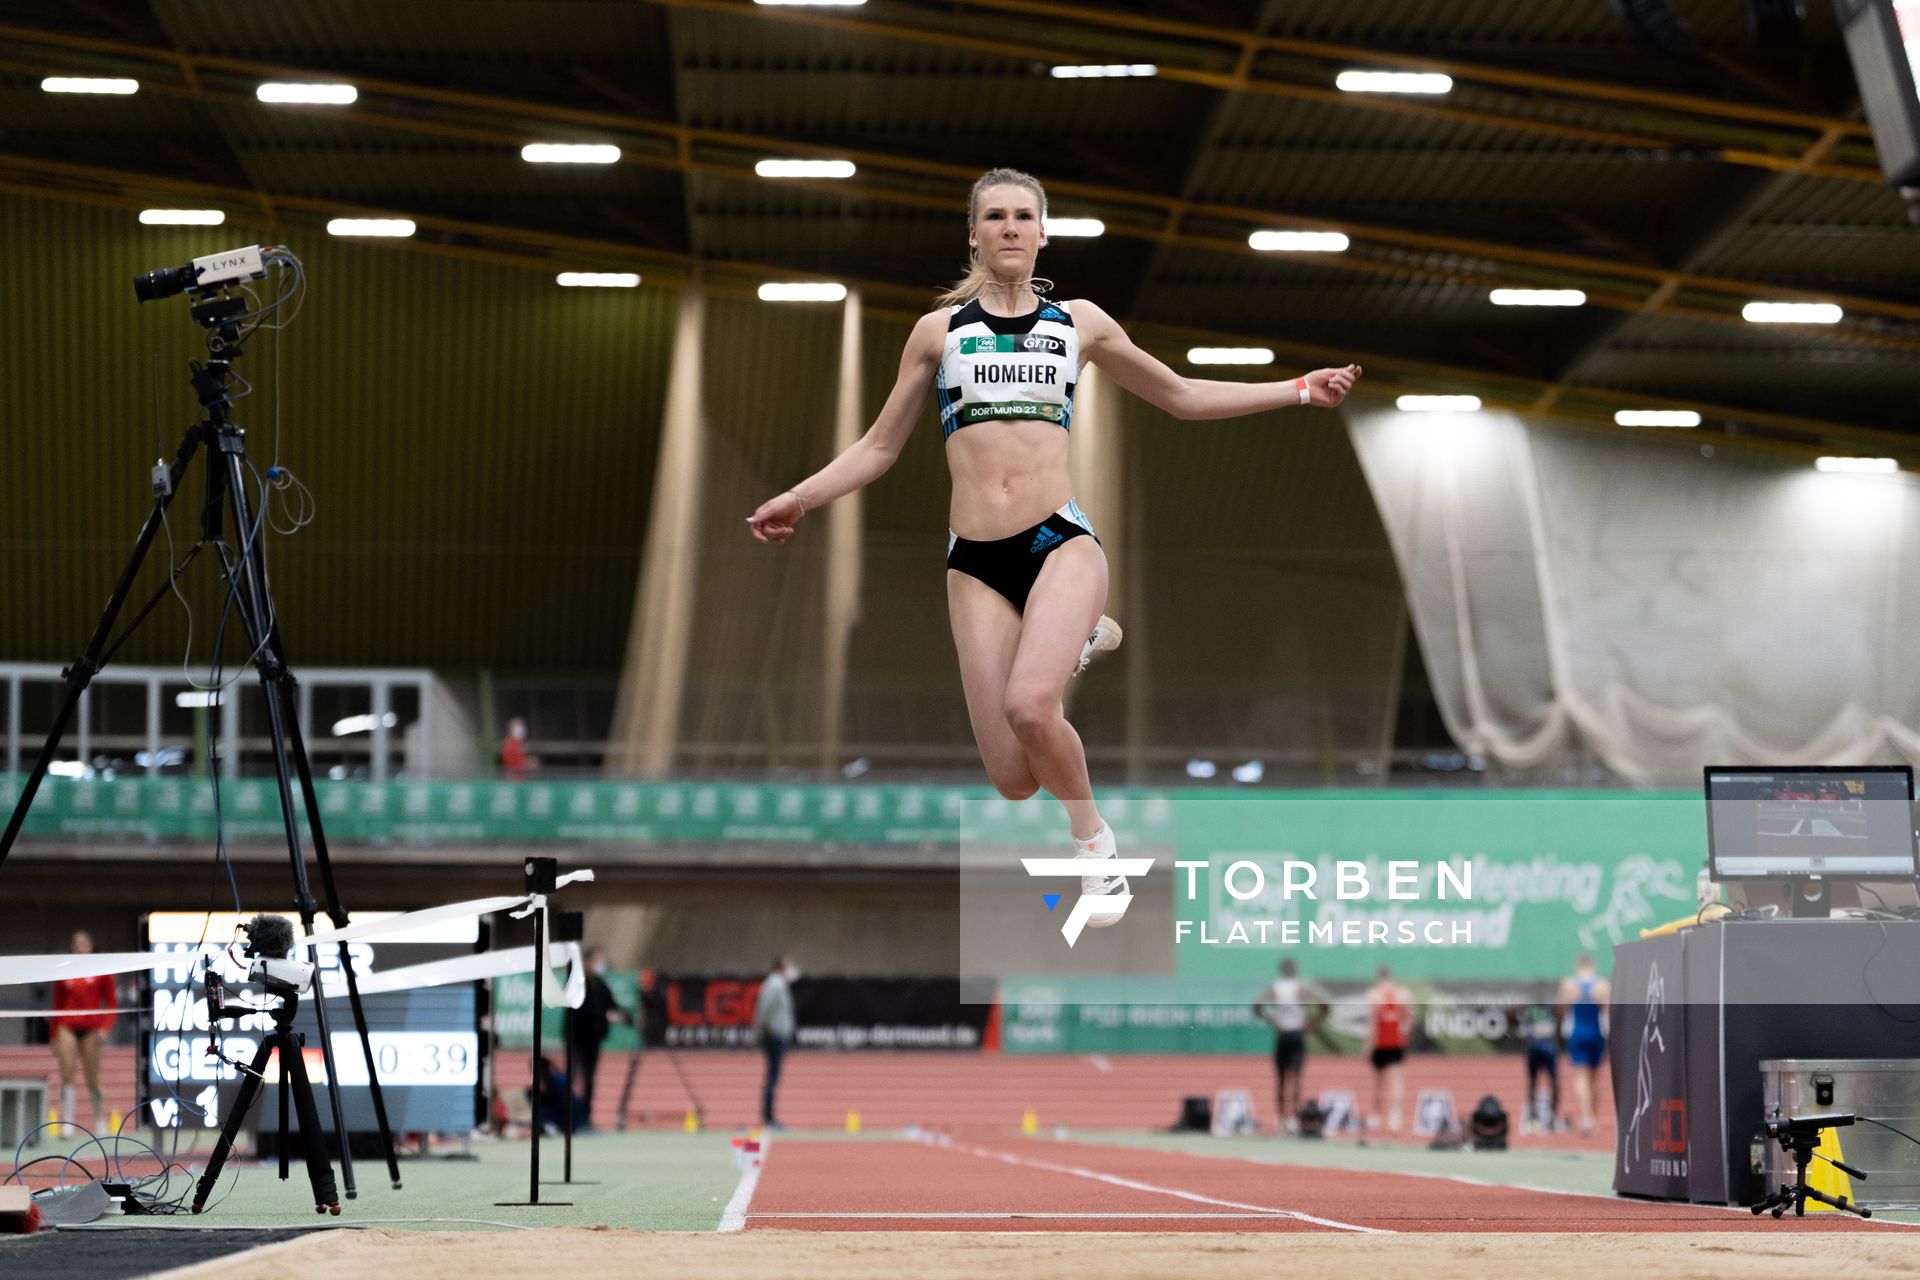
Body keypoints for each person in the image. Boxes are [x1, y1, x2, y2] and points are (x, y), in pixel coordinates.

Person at [748, 168, 1360, 921]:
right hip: (974, 562)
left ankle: (1095, 846)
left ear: (1043, 233)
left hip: (1058, 541)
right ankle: (1078, 642)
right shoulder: (938, 335)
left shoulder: (1081, 324)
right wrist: (799, 497)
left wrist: (1298, 389)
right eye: (995, 216)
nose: (1010, 227)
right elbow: (878, 447)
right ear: (973, 233)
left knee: (1032, 707)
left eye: (1024, 216)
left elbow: (1182, 395)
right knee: (1011, 776)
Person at [49, 931, 116, 1134]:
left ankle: (99, 1120)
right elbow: (57, 1005)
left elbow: (112, 1003)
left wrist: (105, 1028)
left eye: (83, 944)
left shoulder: (101, 971)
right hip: (67, 1027)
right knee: (66, 1073)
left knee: (93, 1077)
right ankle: (67, 1123)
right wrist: (54, 1035)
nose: (79, 948)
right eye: (75, 944)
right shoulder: (64, 971)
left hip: (91, 1029)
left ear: (91, 947)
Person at [1252, 957, 1328, 1133]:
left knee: (1280, 1078)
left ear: (1282, 971)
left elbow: (1257, 1005)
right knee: (1296, 1078)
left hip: (1283, 1034)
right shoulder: (1301, 987)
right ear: (1295, 970)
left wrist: (1271, 1021)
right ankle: (1293, 1117)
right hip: (1296, 1034)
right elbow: (1324, 1004)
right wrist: (1314, 1023)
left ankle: (1280, 1119)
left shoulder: (1276, 987)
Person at [570, 945, 632, 1129]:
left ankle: (585, 1119)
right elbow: (580, 1009)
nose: (600, 964)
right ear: (587, 962)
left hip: (593, 1039)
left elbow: (612, 1006)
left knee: (589, 1079)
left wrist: (626, 1017)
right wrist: (601, 1016)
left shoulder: (601, 985)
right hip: (577, 1037)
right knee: (572, 1078)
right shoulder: (578, 983)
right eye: (597, 960)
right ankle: (568, 1117)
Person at [1558, 953, 1611, 1135]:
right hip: (1596, 1032)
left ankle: (1586, 1116)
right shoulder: (1602, 985)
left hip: (1578, 1032)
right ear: (1593, 966)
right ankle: (1594, 1119)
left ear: (1577, 966)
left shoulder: (1570, 984)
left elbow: (1561, 1007)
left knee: (1580, 1076)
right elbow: (1608, 1009)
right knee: (1596, 1077)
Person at [1363, 965, 1413, 1134]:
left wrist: (1369, 1044)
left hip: (1380, 1043)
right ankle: (1395, 1116)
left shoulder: (1374, 995)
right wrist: (1404, 1036)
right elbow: (1410, 1018)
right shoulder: (1402, 994)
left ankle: (1376, 1117)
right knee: (1396, 1081)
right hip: (1396, 1042)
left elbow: (1372, 1022)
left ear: (1378, 977)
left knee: (1378, 1082)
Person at [752, 955, 799, 1129]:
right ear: (781, 967)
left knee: (773, 1076)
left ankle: (769, 1117)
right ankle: (768, 1118)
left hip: (778, 1036)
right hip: (774, 1036)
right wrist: (761, 1031)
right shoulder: (775, 984)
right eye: (789, 965)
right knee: (772, 1076)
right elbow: (763, 1008)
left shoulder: (779, 984)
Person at [1518, 996, 1561, 1134]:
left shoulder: (1552, 1005)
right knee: (1532, 1082)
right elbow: (1514, 1017)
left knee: (1554, 1081)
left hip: (1549, 1047)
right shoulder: (1529, 1007)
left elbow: (1559, 1021)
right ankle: (1532, 1114)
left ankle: (1553, 1116)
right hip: (1533, 1048)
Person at [500, 716, 536, 781]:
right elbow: (511, 764)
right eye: (517, 727)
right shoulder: (509, 744)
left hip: (520, 779)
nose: (520, 730)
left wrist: (528, 762)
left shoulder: (519, 744)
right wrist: (528, 765)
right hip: (513, 779)